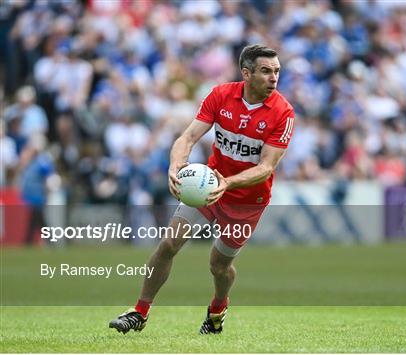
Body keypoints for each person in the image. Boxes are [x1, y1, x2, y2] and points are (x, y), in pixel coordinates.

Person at [109, 44, 295, 334]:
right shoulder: (220, 95)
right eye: (266, 71)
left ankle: (218, 307)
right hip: (207, 186)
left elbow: (266, 168)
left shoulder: (283, 112)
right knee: (169, 243)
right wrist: (175, 166)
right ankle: (140, 311)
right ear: (246, 73)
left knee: (218, 266)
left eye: (277, 72)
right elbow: (188, 137)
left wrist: (228, 183)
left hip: (247, 199)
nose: (274, 78)